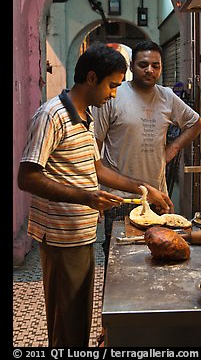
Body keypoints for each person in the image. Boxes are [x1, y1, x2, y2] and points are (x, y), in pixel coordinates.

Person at [17, 42, 173, 348]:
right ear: (91, 78)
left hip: (82, 233)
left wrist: (144, 188)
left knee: (78, 319)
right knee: (68, 325)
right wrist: (85, 197)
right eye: (112, 86)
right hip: (62, 236)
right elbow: (28, 176)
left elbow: (98, 169)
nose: (114, 93)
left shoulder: (84, 117)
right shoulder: (53, 116)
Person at [92, 40, 201, 266]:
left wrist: (173, 148)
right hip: (119, 199)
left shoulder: (167, 97)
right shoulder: (113, 95)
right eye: (143, 65)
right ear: (132, 66)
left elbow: (196, 123)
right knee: (118, 266)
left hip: (157, 199)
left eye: (156, 65)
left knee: (156, 262)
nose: (150, 70)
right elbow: (93, 148)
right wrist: (94, 193)